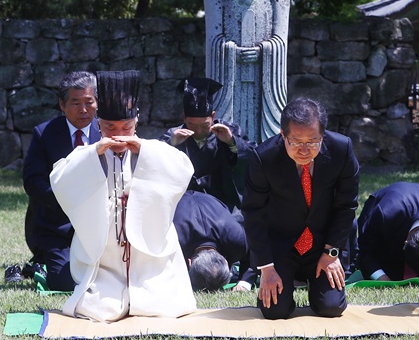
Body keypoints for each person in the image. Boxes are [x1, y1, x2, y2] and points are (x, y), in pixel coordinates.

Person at [49, 70, 197, 322]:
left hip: (149, 257)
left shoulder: (154, 149)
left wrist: (145, 151)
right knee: (96, 309)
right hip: (106, 258)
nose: (118, 134)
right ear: (98, 124)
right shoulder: (89, 153)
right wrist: (94, 152)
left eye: (126, 127)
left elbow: (183, 169)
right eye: (110, 127)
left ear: (136, 122)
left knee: (162, 307)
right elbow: (60, 178)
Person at [242, 97, 359, 319]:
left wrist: (331, 253)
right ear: (282, 135)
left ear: (323, 136)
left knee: (331, 308)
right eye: (296, 142)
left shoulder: (342, 150)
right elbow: (253, 213)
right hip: (281, 244)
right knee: (275, 311)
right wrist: (266, 268)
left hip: (323, 244)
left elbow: (347, 206)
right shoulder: (263, 158)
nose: (304, 150)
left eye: (313, 142)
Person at [204, 0, 290, 143]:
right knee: (226, 134)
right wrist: (231, 51)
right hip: (229, 79)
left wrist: (264, 50)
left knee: (268, 140)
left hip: (265, 83)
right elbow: (213, 39)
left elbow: (281, 40)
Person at [17, 71, 101, 290]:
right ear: (62, 105)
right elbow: (33, 182)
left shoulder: (107, 132)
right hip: (58, 228)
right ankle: (40, 266)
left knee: (106, 278)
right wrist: (69, 200)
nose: (83, 110)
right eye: (75, 103)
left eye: (89, 102)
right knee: (66, 282)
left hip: (101, 226)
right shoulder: (45, 134)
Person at [160, 77, 255, 212]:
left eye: (205, 125)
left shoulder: (229, 131)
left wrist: (231, 142)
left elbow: (253, 157)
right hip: (184, 209)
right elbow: (154, 163)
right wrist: (172, 144)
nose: (198, 131)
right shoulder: (173, 135)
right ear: (184, 118)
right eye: (192, 125)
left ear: (213, 116)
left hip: (224, 208)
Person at [357, 182, 419, 281]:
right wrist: (381, 277)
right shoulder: (384, 214)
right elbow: (364, 250)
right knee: (392, 273)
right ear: (405, 243)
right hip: (386, 210)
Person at [173, 190, 249, 291]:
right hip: (177, 199)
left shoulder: (237, 239)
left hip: (207, 201)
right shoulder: (174, 242)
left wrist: (244, 282)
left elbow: (253, 254)